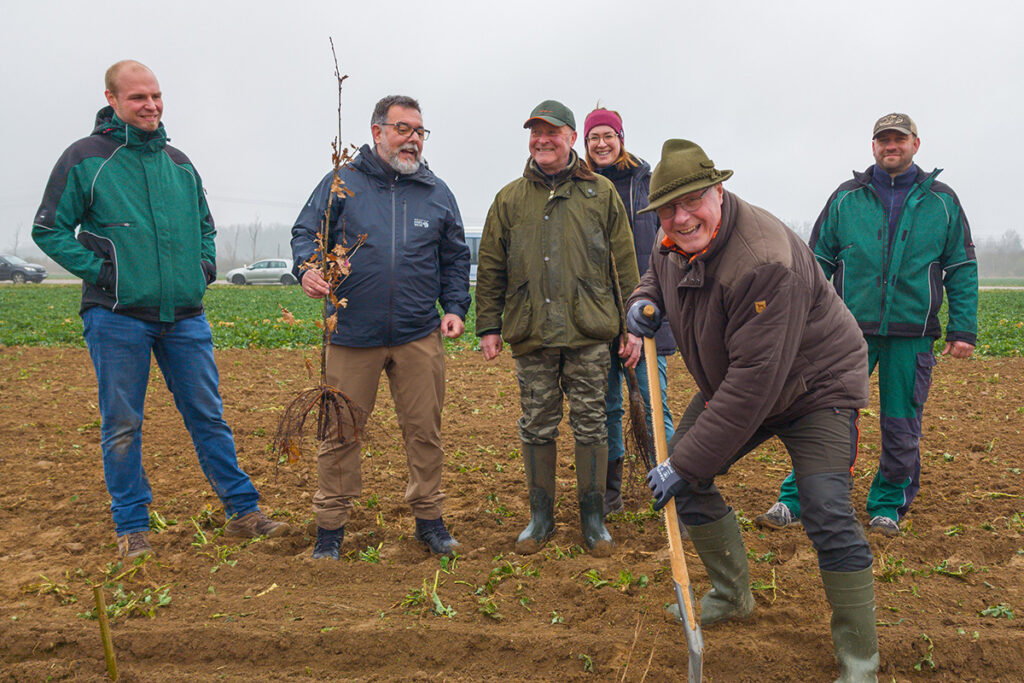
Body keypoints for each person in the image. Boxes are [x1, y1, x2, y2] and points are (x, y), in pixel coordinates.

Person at [627, 140, 878, 680]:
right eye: (667, 209)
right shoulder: (672, 242)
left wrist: (682, 463)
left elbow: (752, 386)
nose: (680, 217)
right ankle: (732, 595)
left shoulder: (762, 261)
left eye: (692, 201)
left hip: (815, 387)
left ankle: (860, 662)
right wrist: (643, 300)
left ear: (718, 191)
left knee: (825, 508)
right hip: (742, 380)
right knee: (688, 479)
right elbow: (657, 274)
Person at [32, 60, 288, 560]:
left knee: (208, 416)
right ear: (112, 100)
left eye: (156, 95)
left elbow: (206, 226)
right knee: (122, 423)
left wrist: (203, 268)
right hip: (116, 315)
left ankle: (244, 511)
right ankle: (132, 527)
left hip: (185, 316)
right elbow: (49, 229)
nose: (150, 105)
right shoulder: (85, 159)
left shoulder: (179, 163)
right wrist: (106, 272)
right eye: (138, 98)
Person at [756, 113, 978, 538]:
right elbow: (814, 263)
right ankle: (798, 498)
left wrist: (963, 329)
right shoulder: (846, 198)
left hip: (912, 335)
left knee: (901, 424)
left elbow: (962, 266)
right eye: (883, 140)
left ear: (915, 144)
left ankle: (887, 505)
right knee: (824, 416)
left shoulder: (942, 202)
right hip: (846, 332)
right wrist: (798, 319)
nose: (891, 146)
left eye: (899, 139)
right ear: (873, 146)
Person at [292, 95, 471, 560]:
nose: (413, 139)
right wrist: (307, 268)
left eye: (419, 131)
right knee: (340, 432)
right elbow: (306, 234)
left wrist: (455, 307)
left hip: (418, 334)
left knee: (424, 432)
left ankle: (429, 521)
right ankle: (330, 529)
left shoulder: (436, 192)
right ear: (377, 132)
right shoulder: (342, 183)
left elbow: (455, 258)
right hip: (352, 334)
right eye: (402, 129)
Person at [475, 100, 639, 557]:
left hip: (589, 331)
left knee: (592, 423)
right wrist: (488, 325)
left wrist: (632, 325)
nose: (542, 140)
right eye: (535, 133)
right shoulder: (509, 199)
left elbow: (624, 262)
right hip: (532, 332)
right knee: (537, 425)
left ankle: (593, 520)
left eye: (551, 132)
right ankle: (541, 517)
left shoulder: (600, 193)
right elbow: (491, 266)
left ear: (570, 138)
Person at [582, 107, 676, 517]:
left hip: (647, 313)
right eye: (594, 138)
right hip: (596, 318)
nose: (601, 144)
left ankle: (674, 486)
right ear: (585, 144)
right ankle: (610, 493)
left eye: (608, 135)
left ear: (621, 138)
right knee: (607, 408)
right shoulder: (581, 186)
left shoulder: (647, 185)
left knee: (655, 406)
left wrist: (645, 317)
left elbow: (668, 249)